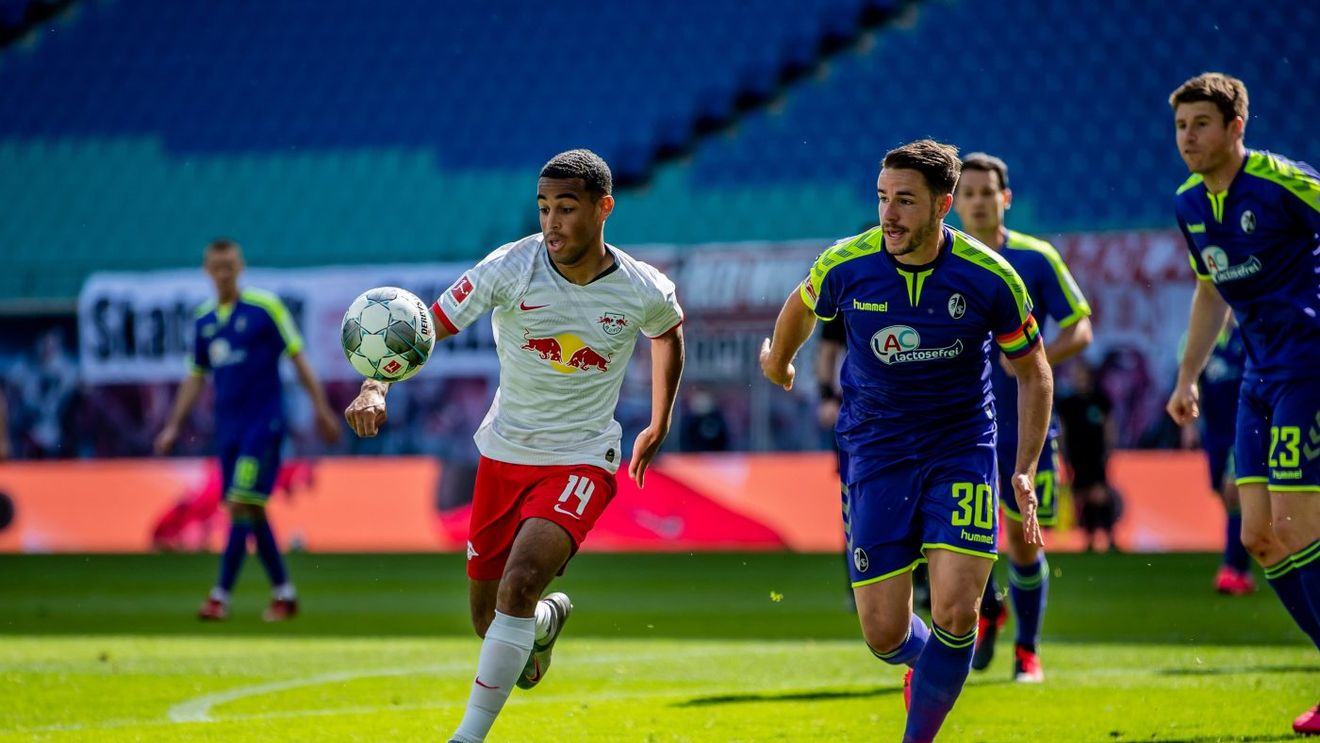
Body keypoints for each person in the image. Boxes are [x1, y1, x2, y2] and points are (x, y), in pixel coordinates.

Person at [345, 149, 684, 743]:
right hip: (505, 456)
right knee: (490, 620)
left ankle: (467, 736)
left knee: (520, 583)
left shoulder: (642, 287)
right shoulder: (509, 266)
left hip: (583, 457)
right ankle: (546, 622)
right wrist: (375, 386)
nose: (552, 222)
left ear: (604, 208)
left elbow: (669, 333)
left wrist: (658, 422)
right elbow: (428, 326)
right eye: (544, 208)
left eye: (566, 208)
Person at [760, 139, 1052, 743]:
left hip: (960, 448)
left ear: (943, 204)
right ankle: (931, 667)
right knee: (884, 634)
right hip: (875, 453)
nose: (888, 215)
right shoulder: (847, 262)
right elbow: (802, 306)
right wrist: (780, 362)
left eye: (905, 201)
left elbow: (1034, 372)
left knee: (956, 612)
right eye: (882, 198)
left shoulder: (991, 276)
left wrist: (1023, 467)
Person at [1163, 72, 1320, 735]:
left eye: (1201, 124)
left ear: (1236, 127)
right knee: (1257, 533)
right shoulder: (1188, 203)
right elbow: (1210, 292)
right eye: (1180, 126)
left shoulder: (1284, 183)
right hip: (1257, 374)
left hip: (1308, 367)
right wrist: (1187, 377)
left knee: (1298, 523)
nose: (1188, 137)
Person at [952, 153, 1093, 680]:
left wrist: (1034, 361)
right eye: (968, 194)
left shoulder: (1035, 258)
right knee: (960, 538)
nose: (978, 202)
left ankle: (1027, 651)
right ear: (953, 203)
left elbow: (1080, 327)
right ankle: (988, 608)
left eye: (987, 193)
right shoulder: (942, 259)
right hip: (960, 424)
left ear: (1005, 198)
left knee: (1024, 542)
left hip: (1023, 423)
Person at [155, 238, 341, 622]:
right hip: (229, 430)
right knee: (251, 509)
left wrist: (322, 410)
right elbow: (195, 376)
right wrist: (173, 425)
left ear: (239, 267)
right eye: (217, 267)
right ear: (207, 271)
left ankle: (219, 596)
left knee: (241, 503)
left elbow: (298, 358)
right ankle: (284, 593)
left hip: (263, 424)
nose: (223, 274)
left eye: (229, 266)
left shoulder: (265, 309)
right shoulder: (204, 321)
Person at [1180, 321, 1253, 595]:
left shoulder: (1244, 337)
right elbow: (1190, 382)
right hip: (1213, 432)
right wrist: (1189, 427)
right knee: (1225, 498)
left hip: (1241, 429)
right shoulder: (1197, 337)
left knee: (1233, 493)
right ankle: (1246, 559)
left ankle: (1233, 568)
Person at [1056, 359, 1119, 551]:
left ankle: (1109, 535)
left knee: (1100, 494)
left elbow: (1109, 427)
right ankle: (1090, 538)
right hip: (1077, 456)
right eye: (1077, 376)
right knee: (1082, 495)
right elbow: (1063, 431)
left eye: (1083, 375)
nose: (1080, 379)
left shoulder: (1100, 400)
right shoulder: (1068, 404)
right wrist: (1063, 452)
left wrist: (1109, 449)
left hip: (1096, 455)